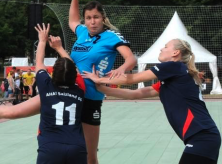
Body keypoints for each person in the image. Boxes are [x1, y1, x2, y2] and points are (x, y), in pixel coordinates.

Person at [0, 23, 87, 164]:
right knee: (13, 112)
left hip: (50, 147)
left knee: (11, 112)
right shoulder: (80, 88)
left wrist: (43, 40)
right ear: (74, 75)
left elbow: (39, 61)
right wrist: (59, 48)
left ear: (52, 75)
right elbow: (71, 67)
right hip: (76, 147)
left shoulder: (46, 86)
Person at [83, 39, 221, 164]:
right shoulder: (173, 78)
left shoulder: (173, 66)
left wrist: (99, 79)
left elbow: (130, 79)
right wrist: (102, 89)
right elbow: (136, 93)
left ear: (175, 52)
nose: (161, 49)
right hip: (204, 136)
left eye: (165, 46)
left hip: (202, 136)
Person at [68, 0, 136, 164]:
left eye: (96, 17)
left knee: (91, 155)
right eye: (89, 18)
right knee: (71, 149)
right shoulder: (82, 32)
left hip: (92, 97)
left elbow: (131, 59)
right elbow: (73, 20)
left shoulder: (111, 36)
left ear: (103, 18)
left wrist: (119, 70)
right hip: (72, 94)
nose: (92, 22)